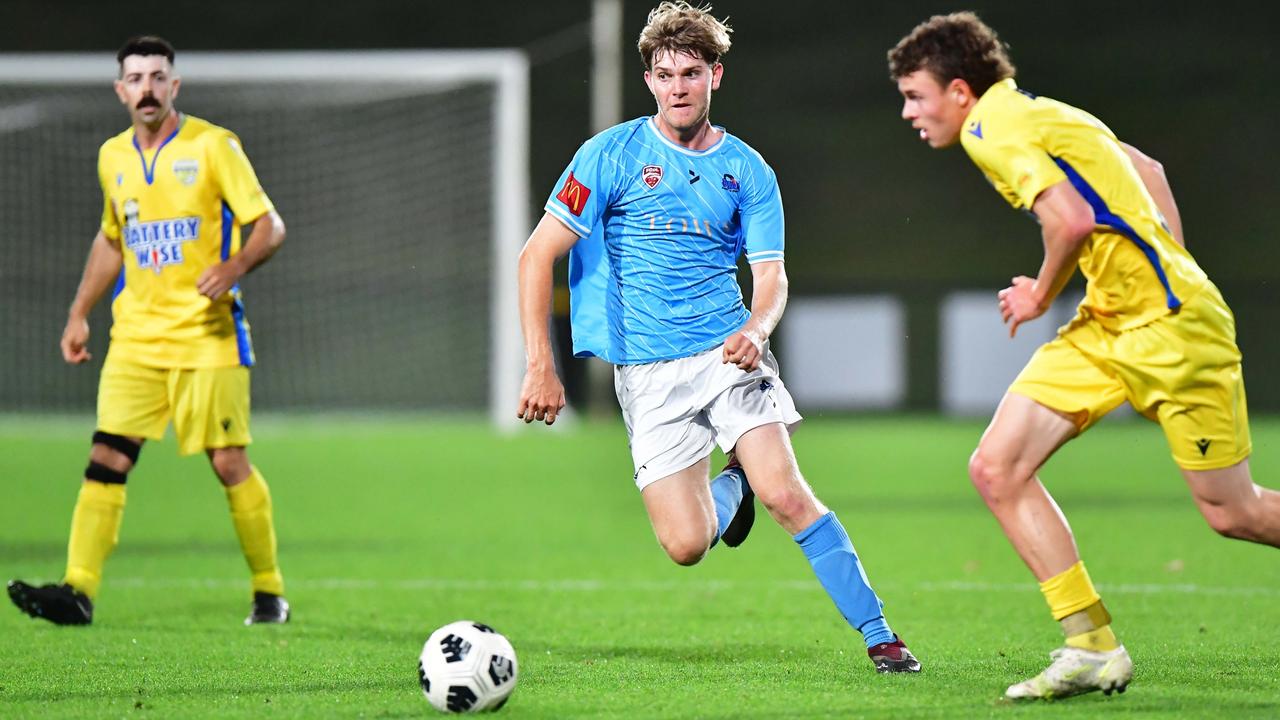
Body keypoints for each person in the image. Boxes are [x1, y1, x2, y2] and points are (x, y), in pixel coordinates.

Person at [888, 11, 1280, 699]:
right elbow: (1148, 169)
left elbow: (1070, 219)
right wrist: (1166, 266)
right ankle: (1091, 645)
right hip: (1111, 322)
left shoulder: (991, 128)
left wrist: (1042, 295)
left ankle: (1092, 644)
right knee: (997, 466)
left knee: (1234, 514)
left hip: (1171, 332)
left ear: (958, 90)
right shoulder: (1039, 111)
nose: (908, 112)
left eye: (915, 95)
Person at [518, 2, 919, 672]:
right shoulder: (610, 156)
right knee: (685, 544)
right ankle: (735, 487)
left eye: (692, 72)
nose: (678, 86)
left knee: (789, 494)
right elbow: (537, 256)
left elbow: (771, 275)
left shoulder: (748, 171)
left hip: (727, 353)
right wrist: (541, 365)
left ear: (716, 77)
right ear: (649, 80)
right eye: (666, 73)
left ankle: (881, 636)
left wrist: (758, 330)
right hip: (646, 372)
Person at [7, 36, 290, 626]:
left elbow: (270, 226)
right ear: (120, 91)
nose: (147, 89)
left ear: (174, 87)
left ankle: (269, 591)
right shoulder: (112, 156)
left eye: (158, 77)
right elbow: (113, 238)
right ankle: (77, 591)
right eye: (135, 79)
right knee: (106, 456)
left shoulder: (214, 146)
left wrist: (234, 266)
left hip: (206, 336)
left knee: (228, 463)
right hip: (135, 338)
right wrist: (79, 311)